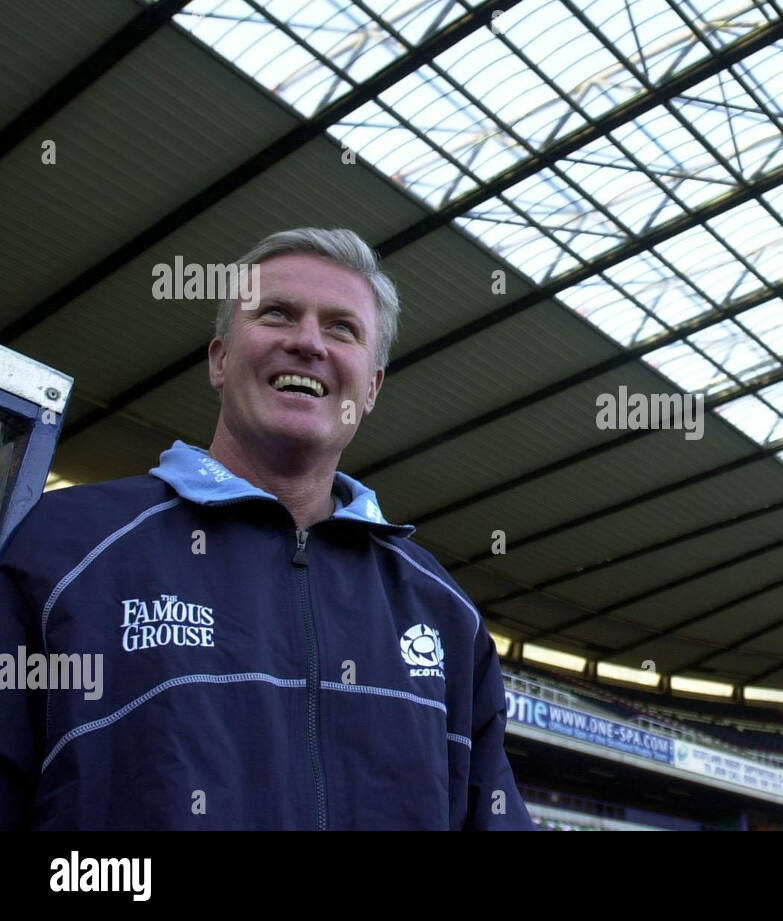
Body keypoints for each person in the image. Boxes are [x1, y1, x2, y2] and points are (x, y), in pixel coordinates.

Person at [0, 228, 532, 830]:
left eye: (342, 328)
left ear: (372, 387)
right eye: (276, 314)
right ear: (220, 359)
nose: (308, 343)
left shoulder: (445, 613)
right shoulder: (66, 546)